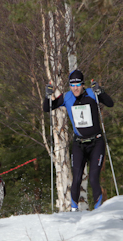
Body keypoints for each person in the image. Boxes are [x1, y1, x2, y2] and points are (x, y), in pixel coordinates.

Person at [44, 69, 114, 211]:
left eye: (78, 85)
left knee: (94, 178)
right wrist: (47, 96)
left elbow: (110, 103)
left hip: (96, 143)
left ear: (83, 85)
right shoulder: (67, 97)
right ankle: (73, 211)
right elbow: (47, 108)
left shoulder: (91, 93)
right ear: (69, 85)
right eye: (72, 85)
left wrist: (100, 91)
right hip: (79, 144)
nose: (75, 88)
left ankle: (99, 210)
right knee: (76, 178)